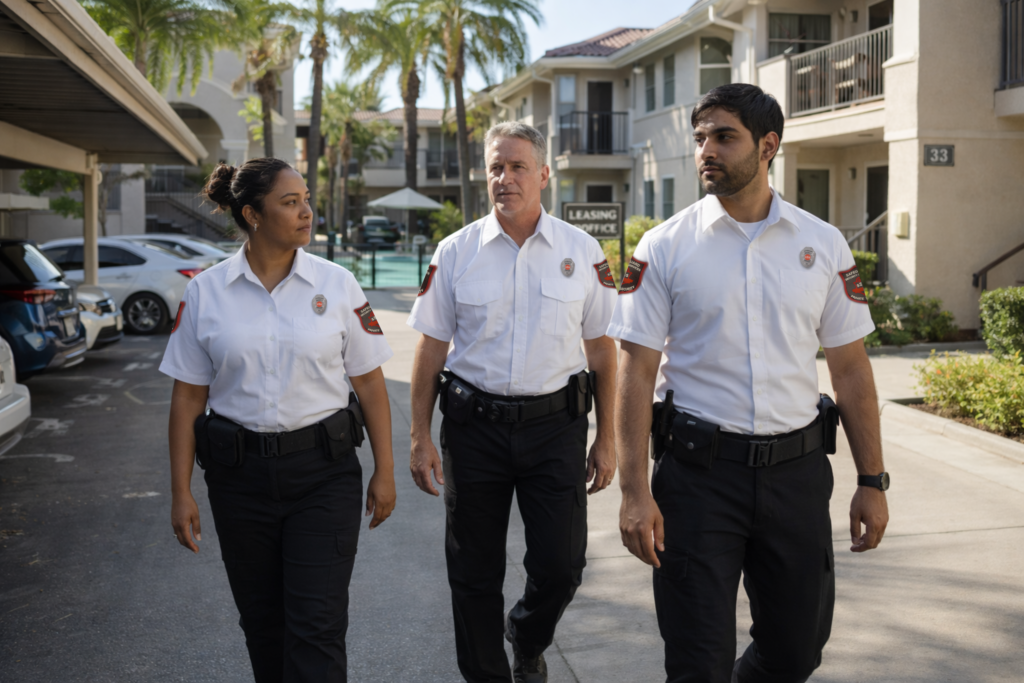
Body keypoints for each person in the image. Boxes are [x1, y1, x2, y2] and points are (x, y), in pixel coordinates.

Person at [611, 84, 890, 683]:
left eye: (723, 136)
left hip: (796, 478)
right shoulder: (664, 247)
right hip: (697, 481)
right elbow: (636, 369)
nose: (706, 150)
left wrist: (872, 479)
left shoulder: (822, 244)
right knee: (696, 661)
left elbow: (849, 369)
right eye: (700, 138)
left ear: (768, 146)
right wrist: (635, 491)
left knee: (795, 654)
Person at [162, 158, 396, 683]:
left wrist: (386, 469)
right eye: (290, 203)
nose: (306, 212)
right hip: (239, 481)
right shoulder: (206, 292)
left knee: (317, 625)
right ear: (252, 214)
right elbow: (187, 398)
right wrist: (181, 491)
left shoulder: (337, 286)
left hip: (323, 475)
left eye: (306, 198)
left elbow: (370, 382)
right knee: (264, 626)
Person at [406, 122, 618, 683]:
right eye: (496, 167)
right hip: (474, 430)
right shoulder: (456, 252)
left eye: (518, 166)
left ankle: (526, 634)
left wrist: (610, 435)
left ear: (544, 174)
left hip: (556, 430)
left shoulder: (582, 251)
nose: (505, 178)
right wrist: (419, 436)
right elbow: (430, 349)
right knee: (473, 574)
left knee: (562, 566)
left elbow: (602, 350)